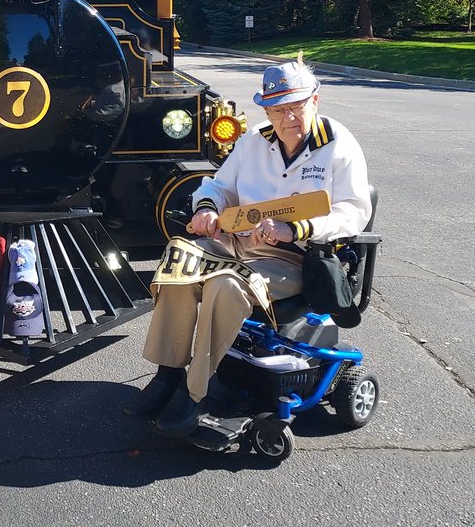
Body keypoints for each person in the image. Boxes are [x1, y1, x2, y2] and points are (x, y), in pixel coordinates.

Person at [124, 60, 371, 437]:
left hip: (294, 259)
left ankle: (197, 392)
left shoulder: (339, 145)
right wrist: (206, 208)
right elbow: (219, 187)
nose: (287, 118)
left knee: (225, 286)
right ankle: (167, 375)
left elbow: (353, 212)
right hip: (235, 244)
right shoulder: (256, 138)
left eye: (295, 107)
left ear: (315, 100)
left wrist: (297, 228)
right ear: (266, 110)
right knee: (179, 261)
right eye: (276, 110)